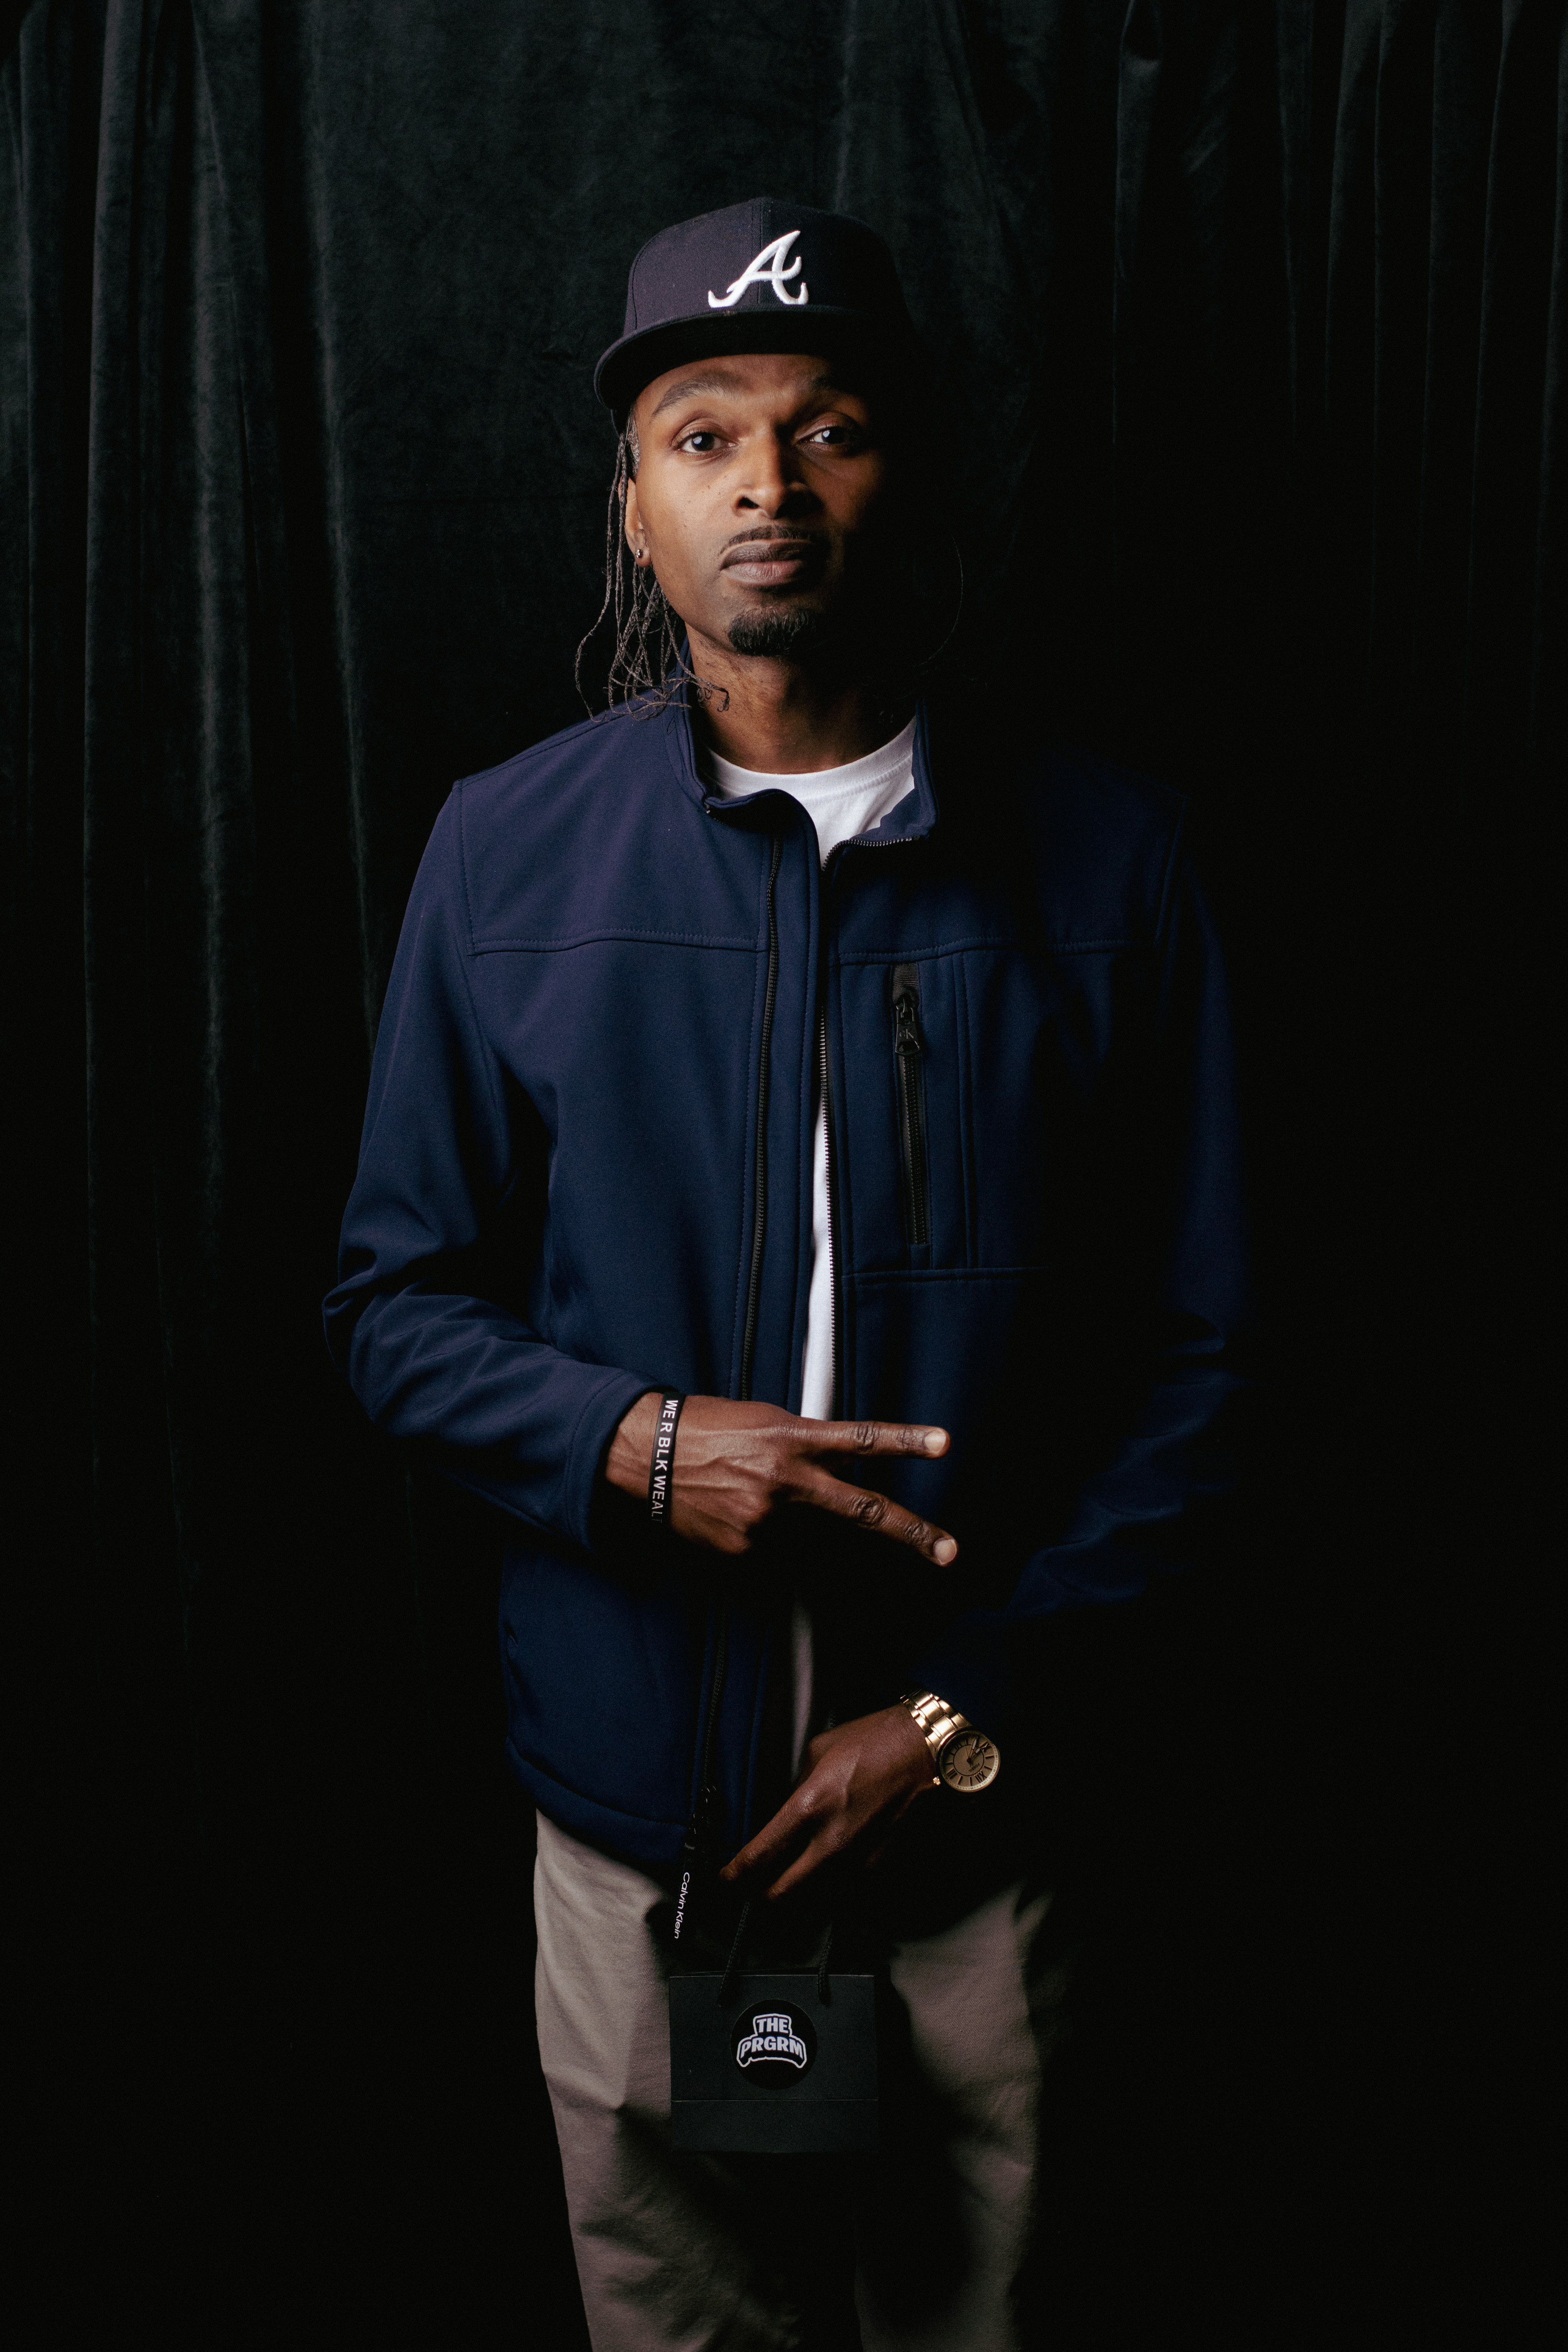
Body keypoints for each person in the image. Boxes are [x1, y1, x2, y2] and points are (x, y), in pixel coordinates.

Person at [325, 198, 1249, 2351]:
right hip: (638, 1824)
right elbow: (391, 1311)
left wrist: (966, 1718)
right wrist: (643, 1445)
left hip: (982, 1815)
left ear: (901, 480)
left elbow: (1214, 1363)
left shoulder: (1119, 861)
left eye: (829, 428)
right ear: (632, 510)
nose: (769, 483)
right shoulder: (506, 849)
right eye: (705, 435)